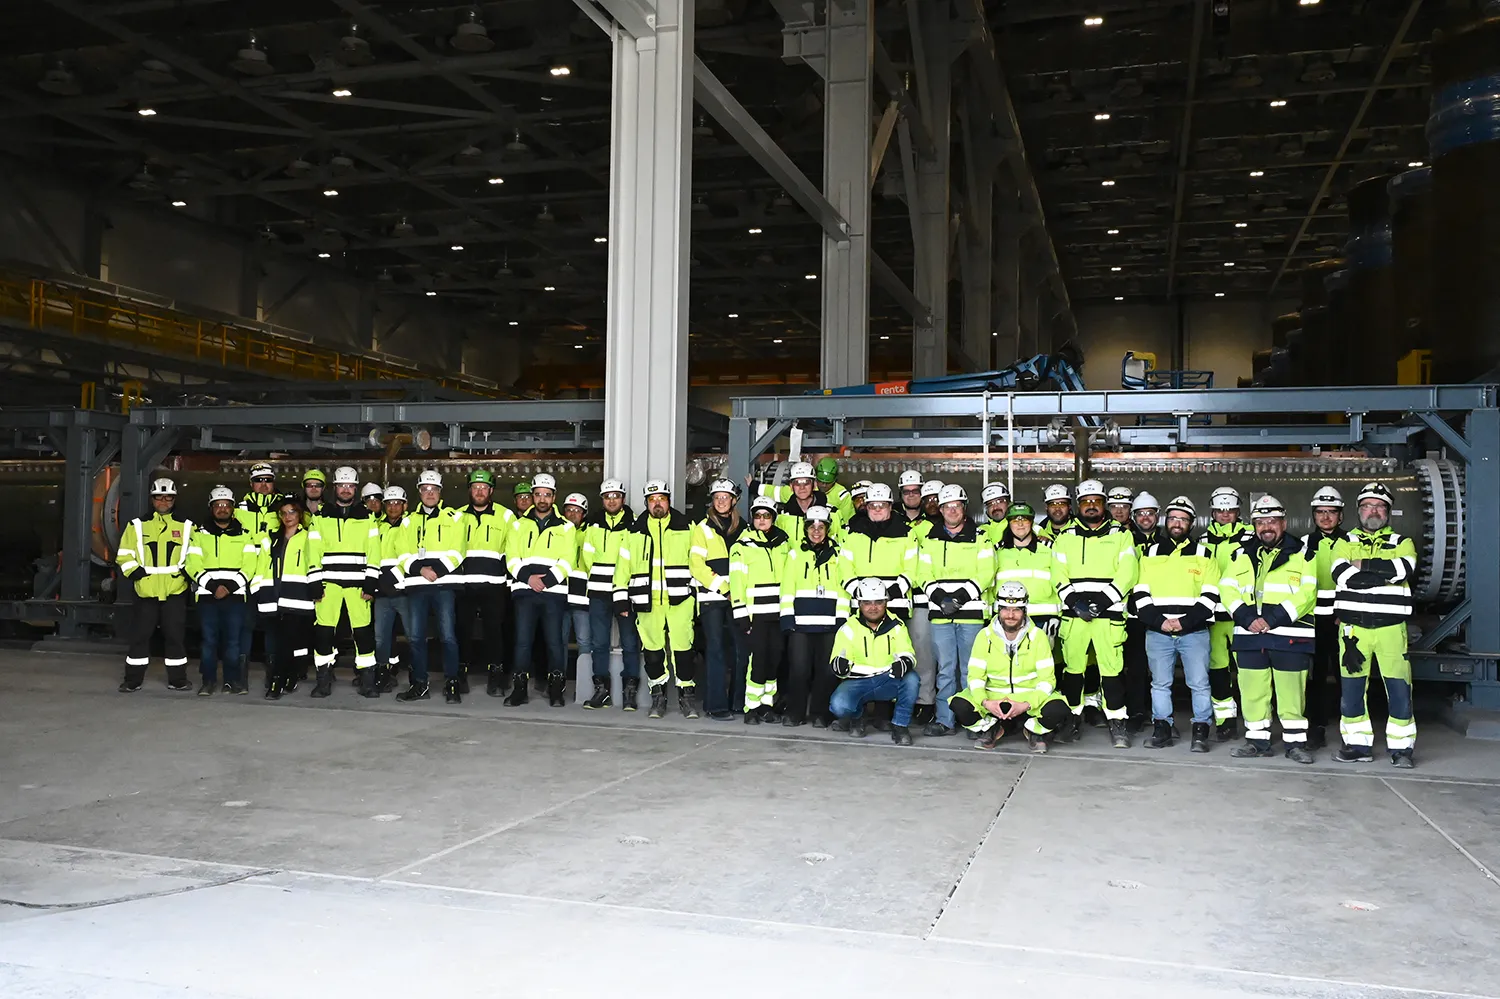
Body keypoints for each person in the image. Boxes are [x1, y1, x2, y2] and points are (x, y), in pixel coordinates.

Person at [1222, 495, 1318, 764]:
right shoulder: (1240, 554)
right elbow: (1227, 588)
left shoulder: (1304, 553)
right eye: (1260, 522)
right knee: (1252, 692)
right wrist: (1245, 617)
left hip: (1290, 636)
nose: (1266, 527)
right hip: (1249, 634)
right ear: (1254, 525)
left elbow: (1308, 593)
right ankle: (1257, 742)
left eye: (1272, 521)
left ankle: (1295, 744)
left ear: (1283, 523)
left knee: (1292, 694)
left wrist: (1272, 619)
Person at [1331, 482, 1418, 768]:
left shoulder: (1403, 542)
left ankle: (1402, 749)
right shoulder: (1343, 542)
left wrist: (1362, 565)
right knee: (1352, 690)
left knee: (1399, 688)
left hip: (1391, 628)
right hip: (1353, 630)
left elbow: (1404, 569)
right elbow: (1341, 575)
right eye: (1368, 506)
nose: (1374, 511)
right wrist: (1383, 573)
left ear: (1388, 511)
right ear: (1359, 511)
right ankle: (1358, 746)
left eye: (1380, 506)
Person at [1053, 479, 1139, 747]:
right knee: (1073, 672)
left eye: (1097, 502)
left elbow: (1128, 572)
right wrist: (1075, 602)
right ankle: (1072, 720)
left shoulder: (1121, 535)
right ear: (1078, 505)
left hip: (1108, 616)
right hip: (1074, 616)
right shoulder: (1065, 537)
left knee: (1111, 672)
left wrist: (1102, 601)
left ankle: (1117, 722)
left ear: (1105, 505)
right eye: (1086, 502)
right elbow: (1057, 573)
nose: (1091, 506)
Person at [1128, 496, 1218, 753]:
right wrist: (1161, 622)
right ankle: (1162, 729)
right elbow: (1140, 593)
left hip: (1194, 632)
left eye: (1183, 519)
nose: (1177, 523)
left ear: (1192, 523)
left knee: (1199, 683)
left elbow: (1210, 596)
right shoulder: (1150, 554)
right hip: (1159, 632)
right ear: (1166, 521)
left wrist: (1184, 622)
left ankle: (1201, 731)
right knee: (1160, 684)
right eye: (1173, 518)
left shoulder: (1204, 554)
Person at [949, 582, 1071, 753]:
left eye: (1016, 610)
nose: (1011, 615)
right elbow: (975, 676)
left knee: (1058, 708)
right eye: (1005, 609)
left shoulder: (1038, 636)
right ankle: (991, 728)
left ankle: (1034, 730)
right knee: (959, 705)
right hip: (994, 699)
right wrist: (986, 702)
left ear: (1025, 610)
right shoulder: (984, 636)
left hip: (1028, 701)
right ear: (998, 609)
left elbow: (1047, 680)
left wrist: (1027, 704)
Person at [915, 484, 994, 737]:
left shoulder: (980, 537)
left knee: (972, 670)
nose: (952, 511)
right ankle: (945, 720)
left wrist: (959, 598)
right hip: (940, 614)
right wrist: (940, 598)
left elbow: (987, 572)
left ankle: (973, 719)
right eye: (947, 506)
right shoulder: (930, 539)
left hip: (971, 613)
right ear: (940, 509)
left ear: (964, 508)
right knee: (945, 670)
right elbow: (922, 573)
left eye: (957, 506)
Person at [615, 479, 697, 718]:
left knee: (684, 650)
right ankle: (658, 698)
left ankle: (686, 697)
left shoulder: (687, 526)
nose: (657, 503)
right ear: (646, 503)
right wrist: (621, 599)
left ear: (669, 501)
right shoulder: (634, 531)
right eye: (652, 499)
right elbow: (623, 567)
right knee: (653, 652)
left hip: (680, 599)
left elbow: (698, 562)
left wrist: (695, 594)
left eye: (661, 498)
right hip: (647, 601)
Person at [117, 477, 195, 693]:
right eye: (159, 497)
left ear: (174, 499)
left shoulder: (187, 526)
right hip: (146, 591)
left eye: (168, 497)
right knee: (140, 637)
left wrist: (187, 574)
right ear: (152, 500)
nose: (163, 501)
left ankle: (178, 680)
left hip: (174, 590)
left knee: (175, 637)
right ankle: (132, 680)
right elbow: (124, 555)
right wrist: (136, 573)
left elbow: (196, 554)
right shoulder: (136, 526)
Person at [504, 472, 576, 706]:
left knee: (554, 643)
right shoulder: (517, 525)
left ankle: (556, 690)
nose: (542, 499)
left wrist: (546, 581)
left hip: (553, 594)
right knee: (522, 642)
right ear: (533, 496)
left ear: (554, 497)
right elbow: (511, 557)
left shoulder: (566, 527)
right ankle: (519, 690)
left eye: (546, 494)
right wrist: (528, 578)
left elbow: (568, 560)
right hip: (524, 592)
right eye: (538, 494)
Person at [309, 466, 381, 697]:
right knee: (323, 632)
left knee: (363, 633)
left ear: (356, 489)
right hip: (328, 584)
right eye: (342, 485)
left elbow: (375, 552)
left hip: (358, 585)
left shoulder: (368, 517)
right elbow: (313, 552)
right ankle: (323, 680)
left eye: (350, 485)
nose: (346, 489)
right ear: (335, 488)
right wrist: (314, 582)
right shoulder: (320, 517)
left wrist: (371, 582)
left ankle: (367, 680)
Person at [395, 470, 466, 704]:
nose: (430, 493)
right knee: (416, 638)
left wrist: (437, 571)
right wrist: (420, 570)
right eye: (425, 489)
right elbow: (401, 552)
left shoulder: (454, 517)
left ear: (440, 492)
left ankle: (452, 683)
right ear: (419, 492)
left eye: (434, 489)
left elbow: (459, 550)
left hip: (444, 585)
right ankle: (419, 684)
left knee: (448, 637)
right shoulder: (408, 521)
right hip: (417, 586)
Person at [828, 578, 920, 745]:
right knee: (838, 706)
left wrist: (904, 662)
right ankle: (857, 717)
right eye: (867, 603)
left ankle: (900, 726)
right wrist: (839, 666)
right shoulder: (849, 628)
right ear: (859, 604)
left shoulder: (897, 625)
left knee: (912, 679)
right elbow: (837, 659)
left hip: (887, 680)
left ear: (886, 602)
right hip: (858, 682)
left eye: (878, 602)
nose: (873, 607)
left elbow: (908, 653)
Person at [779, 506, 848, 726]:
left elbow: (843, 588)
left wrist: (841, 620)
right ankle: (795, 712)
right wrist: (787, 618)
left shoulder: (839, 554)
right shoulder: (795, 555)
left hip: (830, 623)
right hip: (800, 623)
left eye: (821, 527)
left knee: (826, 671)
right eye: (812, 526)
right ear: (805, 528)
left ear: (828, 529)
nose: (816, 531)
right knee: (799, 670)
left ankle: (820, 713)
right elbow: (787, 587)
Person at [186, 485, 258, 695]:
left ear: (233, 508)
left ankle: (231, 681)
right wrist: (213, 587)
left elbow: (250, 566)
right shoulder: (199, 535)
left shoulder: (245, 535)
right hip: (207, 597)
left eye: (226, 505)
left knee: (233, 642)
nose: (222, 509)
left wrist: (229, 587)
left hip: (235, 597)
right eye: (218, 505)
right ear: (211, 508)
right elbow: (192, 564)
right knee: (209, 642)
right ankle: (208, 681)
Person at [578, 479, 641, 711]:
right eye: (607, 497)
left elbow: (636, 557)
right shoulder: (593, 524)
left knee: (630, 642)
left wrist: (623, 583)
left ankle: (630, 693)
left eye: (616, 496)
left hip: (625, 592)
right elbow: (587, 556)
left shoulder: (635, 523)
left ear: (623, 498)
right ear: (602, 499)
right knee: (599, 642)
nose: (612, 501)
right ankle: (601, 691)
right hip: (598, 591)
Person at [249, 496, 319, 700]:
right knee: (279, 643)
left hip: (298, 596)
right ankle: (289, 677)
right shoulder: (271, 538)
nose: (288, 517)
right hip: (272, 597)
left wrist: (314, 590)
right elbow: (261, 566)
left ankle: (277, 683)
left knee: (288, 643)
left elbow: (313, 563)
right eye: (284, 513)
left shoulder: (308, 537)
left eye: (292, 512)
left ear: (300, 514)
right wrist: (257, 591)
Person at [454, 469, 516, 697]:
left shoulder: (506, 516)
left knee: (494, 632)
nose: (479, 492)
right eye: (475, 487)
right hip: (465, 584)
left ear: (491, 491)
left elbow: (513, 548)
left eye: (484, 488)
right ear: (469, 490)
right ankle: (460, 674)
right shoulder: (457, 516)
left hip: (494, 585)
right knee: (462, 631)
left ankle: (496, 676)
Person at [730, 495, 791, 722]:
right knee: (758, 661)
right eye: (757, 516)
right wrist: (741, 615)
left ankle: (766, 704)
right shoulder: (742, 546)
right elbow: (736, 583)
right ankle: (751, 707)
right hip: (755, 614)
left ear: (773, 518)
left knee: (775, 659)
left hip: (779, 612)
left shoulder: (783, 543)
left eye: (766, 515)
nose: (762, 520)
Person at [691, 479, 747, 719]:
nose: (721, 501)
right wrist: (725, 589)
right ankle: (715, 706)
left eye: (725, 497)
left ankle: (738, 702)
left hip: (738, 599)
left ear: (734, 500)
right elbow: (696, 566)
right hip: (712, 598)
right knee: (715, 650)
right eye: (717, 497)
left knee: (741, 650)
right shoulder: (702, 529)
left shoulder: (745, 528)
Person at [1300, 485, 1348, 749]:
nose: (1326, 517)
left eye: (1331, 512)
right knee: (1315, 677)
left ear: (1341, 515)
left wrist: (1344, 612)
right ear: (1313, 515)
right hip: (1314, 621)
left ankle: (1350, 729)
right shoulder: (1303, 544)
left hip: (1344, 619)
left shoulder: (1352, 542)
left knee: (1347, 675)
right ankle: (1316, 727)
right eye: (1321, 512)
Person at [1204, 485, 1253, 740]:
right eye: (1220, 510)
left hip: (1243, 617)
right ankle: (1225, 721)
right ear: (1213, 512)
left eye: (1230, 510)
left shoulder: (1252, 536)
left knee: (1249, 670)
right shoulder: (1202, 541)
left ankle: (1255, 719)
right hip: (1213, 618)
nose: (1225, 514)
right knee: (1218, 671)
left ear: (1238, 511)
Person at [235, 462, 282, 691]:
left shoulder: (283, 508)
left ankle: (273, 677)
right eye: (259, 480)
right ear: (251, 483)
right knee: (245, 626)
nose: (263, 485)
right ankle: (240, 678)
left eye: (268, 480)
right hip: (245, 578)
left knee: (273, 628)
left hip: (272, 578)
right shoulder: (238, 509)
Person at [371, 486, 413, 697]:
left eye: (397, 503)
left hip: (405, 591)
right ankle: (383, 674)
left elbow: (413, 556)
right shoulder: (377, 527)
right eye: (389, 503)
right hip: (382, 592)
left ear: (405, 505)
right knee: (381, 637)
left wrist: (393, 578)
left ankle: (417, 677)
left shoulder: (412, 525)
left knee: (413, 636)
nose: (393, 507)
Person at [994, 504, 1060, 635]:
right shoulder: (997, 551)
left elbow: (1060, 579)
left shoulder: (1050, 549)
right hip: (1007, 618)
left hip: (1043, 617)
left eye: (1025, 519)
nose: (1020, 524)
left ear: (1032, 522)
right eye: (1015, 520)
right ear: (1009, 523)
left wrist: (1058, 616)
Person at [776, 461, 841, 547]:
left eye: (806, 482)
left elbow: (841, 543)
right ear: (791, 486)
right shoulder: (783, 516)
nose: (802, 487)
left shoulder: (832, 513)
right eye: (797, 483)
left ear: (814, 484)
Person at [815, 457, 855, 523]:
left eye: (828, 483)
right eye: (820, 481)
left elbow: (848, 521)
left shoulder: (842, 495)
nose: (824, 485)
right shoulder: (809, 489)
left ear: (835, 480)